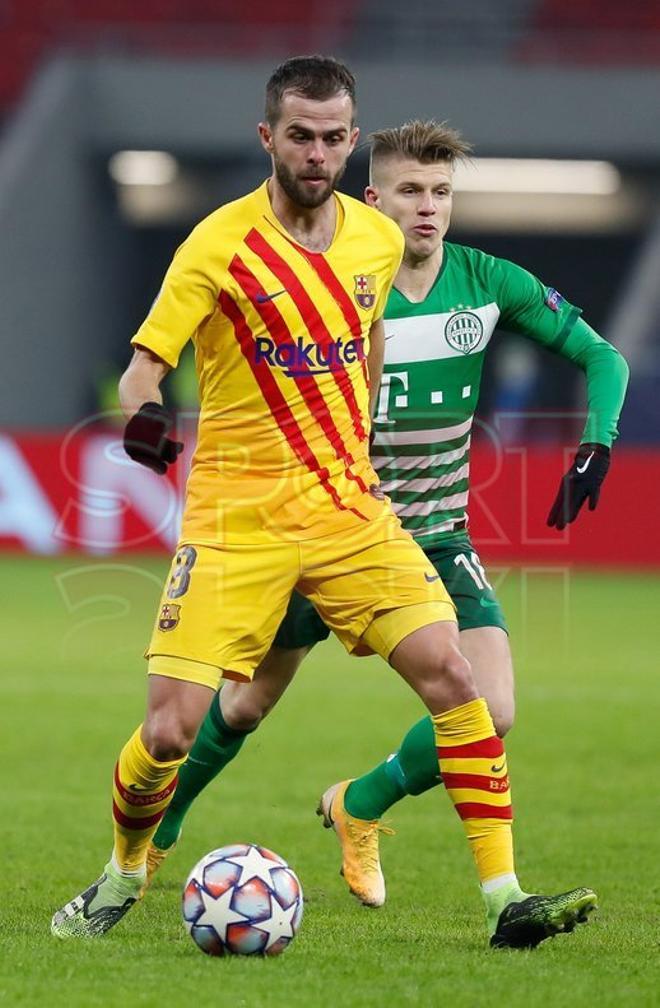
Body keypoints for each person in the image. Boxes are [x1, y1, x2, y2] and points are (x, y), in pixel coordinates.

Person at [50, 57, 578, 952]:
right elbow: (147, 364)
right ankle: (124, 870)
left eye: (336, 136)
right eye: (302, 134)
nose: (319, 152)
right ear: (269, 137)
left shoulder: (372, 237)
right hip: (235, 520)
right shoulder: (217, 244)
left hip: (347, 512)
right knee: (172, 729)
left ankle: (505, 899)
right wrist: (142, 418)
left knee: (458, 683)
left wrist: (361, 448)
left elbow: (366, 341)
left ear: (351, 138)